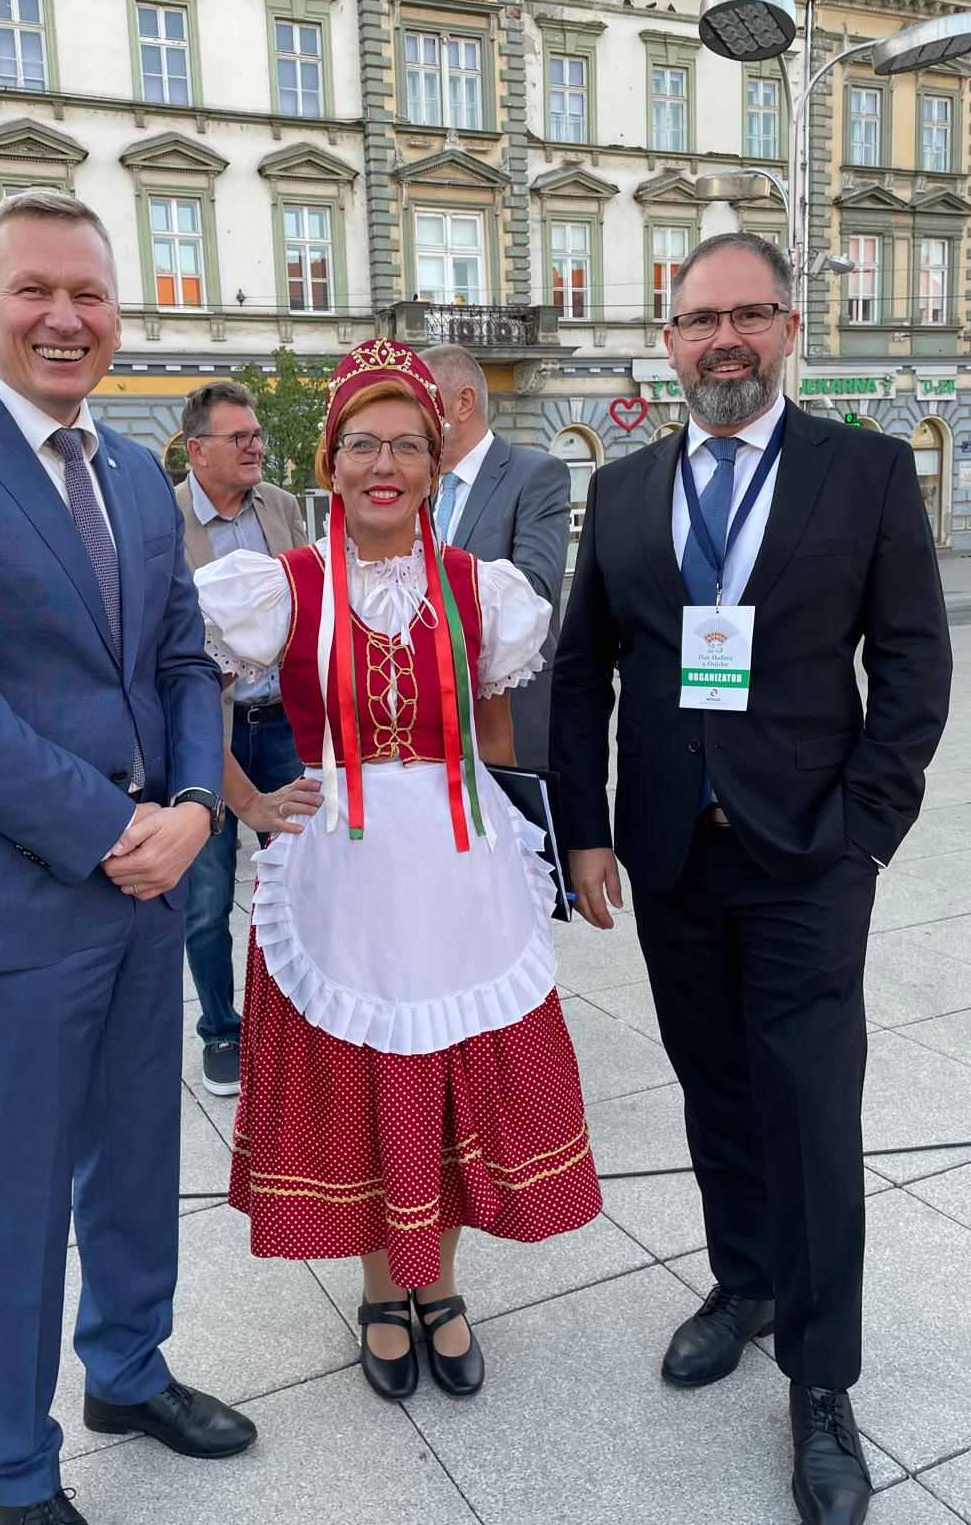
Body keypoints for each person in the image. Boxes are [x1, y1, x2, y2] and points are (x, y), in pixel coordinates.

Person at [0, 191, 256, 1525]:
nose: (66, 317)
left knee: (134, 1159)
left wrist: (195, 804)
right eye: (35, 290)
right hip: (20, 899)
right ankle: (14, 1466)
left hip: (147, 883)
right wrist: (116, 830)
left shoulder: (130, 468)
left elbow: (181, 658)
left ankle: (127, 1368)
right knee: (17, 1199)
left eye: (90, 293)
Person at [551, 232, 951, 1525]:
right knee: (715, 1088)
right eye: (698, 319)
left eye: (749, 314)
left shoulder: (866, 472)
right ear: (668, 341)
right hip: (673, 854)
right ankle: (747, 1280)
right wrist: (585, 830)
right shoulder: (622, 490)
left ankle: (822, 1381)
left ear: (788, 329)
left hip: (807, 858)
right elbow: (581, 672)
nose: (723, 338)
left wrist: (863, 833)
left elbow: (914, 664)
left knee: (812, 1112)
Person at [195, 338, 602, 1403]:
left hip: (458, 865)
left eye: (409, 445)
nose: (386, 465)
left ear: (436, 460)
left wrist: (516, 836)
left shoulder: (478, 587)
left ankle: (441, 1284)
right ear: (330, 461)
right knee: (368, 1082)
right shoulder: (286, 584)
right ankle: (384, 1288)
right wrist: (245, 800)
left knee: (456, 1076)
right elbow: (187, 683)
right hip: (343, 869)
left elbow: (496, 725)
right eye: (364, 444)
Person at [174, 381, 308, 1095]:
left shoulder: (280, 507)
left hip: (284, 723)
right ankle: (222, 1030)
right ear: (198, 450)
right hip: (207, 733)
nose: (256, 446)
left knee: (301, 874)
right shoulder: (163, 520)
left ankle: (301, 1021)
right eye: (240, 437)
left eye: (257, 434)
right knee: (206, 894)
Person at [425, 343, 571, 769]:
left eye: (421, 400)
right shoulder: (421, 485)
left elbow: (534, 589)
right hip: (433, 722)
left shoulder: (536, 475)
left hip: (509, 717)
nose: (412, 415)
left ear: (463, 403)